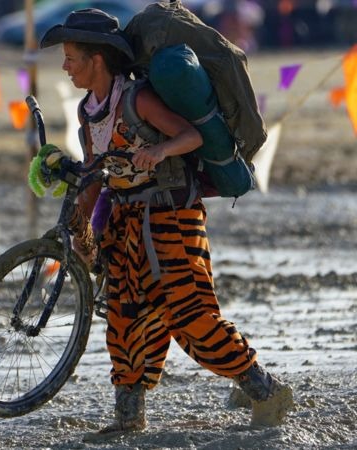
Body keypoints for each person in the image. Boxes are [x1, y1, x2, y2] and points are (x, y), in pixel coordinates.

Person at [37, 9, 293, 433]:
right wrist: (81, 230)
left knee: (191, 315)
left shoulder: (138, 100)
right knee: (124, 318)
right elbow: (95, 178)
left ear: (97, 60)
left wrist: (157, 152)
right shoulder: (87, 114)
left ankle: (265, 389)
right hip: (125, 223)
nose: (65, 67)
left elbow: (189, 137)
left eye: (71, 57)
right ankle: (127, 418)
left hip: (172, 217)